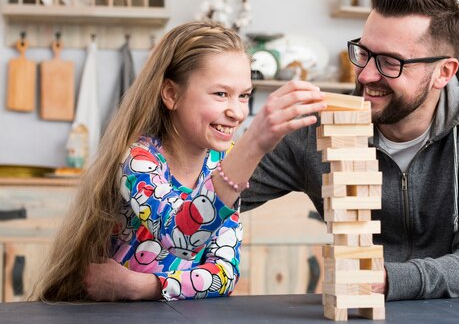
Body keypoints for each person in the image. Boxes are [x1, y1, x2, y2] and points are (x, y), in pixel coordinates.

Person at [241, 0, 459, 301]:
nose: (365, 75)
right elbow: (215, 199)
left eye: (390, 62)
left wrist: (387, 279)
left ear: (444, 72)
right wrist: (254, 137)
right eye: (364, 53)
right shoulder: (316, 126)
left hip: (453, 312)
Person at [32, 21, 326, 301]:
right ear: (171, 94)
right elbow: (181, 236)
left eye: (244, 96)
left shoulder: (221, 162)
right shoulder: (138, 161)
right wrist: (253, 144)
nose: (237, 112)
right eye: (221, 94)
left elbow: (224, 273)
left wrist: (141, 286)